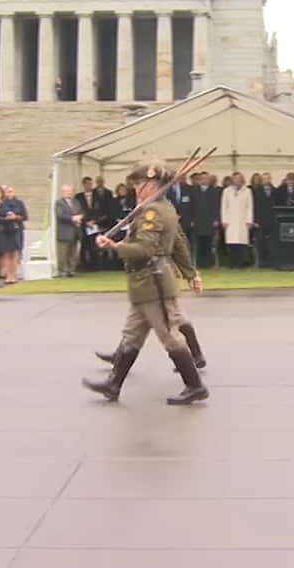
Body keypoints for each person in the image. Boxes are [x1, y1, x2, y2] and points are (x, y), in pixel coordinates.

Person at [84, 161, 209, 405]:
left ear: (151, 185)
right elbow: (179, 243)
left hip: (154, 282)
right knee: (131, 335)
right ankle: (113, 384)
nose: (135, 188)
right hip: (144, 284)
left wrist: (115, 246)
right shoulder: (155, 208)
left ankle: (195, 386)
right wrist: (190, 273)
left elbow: (146, 248)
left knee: (170, 336)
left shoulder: (155, 212)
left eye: (139, 184)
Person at [95, 216, 208, 370]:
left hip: (160, 273)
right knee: (140, 319)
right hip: (147, 276)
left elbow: (179, 243)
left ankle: (195, 361)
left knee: (173, 319)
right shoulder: (144, 211)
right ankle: (120, 356)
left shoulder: (161, 213)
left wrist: (191, 274)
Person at [220, 172, 254, 268]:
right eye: (235, 178)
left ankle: (242, 263)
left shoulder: (247, 191)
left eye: (239, 178)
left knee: (242, 243)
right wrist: (224, 220)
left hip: (243, 220)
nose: (237, 180)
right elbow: (224, 207)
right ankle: (232, 263)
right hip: (230, 221)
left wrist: (249, 220)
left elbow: (249, 207)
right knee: (232, 243)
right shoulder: (226, 191)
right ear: (232, 180)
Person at [189, 172, 221, 268]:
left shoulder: (214, 191)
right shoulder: (193, 191)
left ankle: (209, 263)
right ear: (199, 180)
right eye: (202, 178)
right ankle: (199, 264)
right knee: (199, 244)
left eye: (206, 178)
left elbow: (217, 206)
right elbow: (190, 207)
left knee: (209, 243)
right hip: (198, 221)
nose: (204, 180)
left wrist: (216, 219)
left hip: (210, 222)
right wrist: (191, 220)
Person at [2, 186, 29, 284]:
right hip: (6, 230)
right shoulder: (3, 203)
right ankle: (7, 275)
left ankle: (14, 275)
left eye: (11, 192)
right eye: (8, 192)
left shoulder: (19, 203)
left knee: (15, 253)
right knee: (7, 254)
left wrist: (16, 217)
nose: (9, 193)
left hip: (17, 230)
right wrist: (6, 218)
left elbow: (25, 216)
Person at [55, 184, 82, 278]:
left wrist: (80, 217)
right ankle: (62, 271)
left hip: (75, 231)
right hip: (64, 232)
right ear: (63, 192)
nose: (69, 193)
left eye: (70, 191)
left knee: (73, 253)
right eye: (67, 191)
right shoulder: (59, 203)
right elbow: (60, 215)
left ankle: (71, 270)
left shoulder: (76, 202)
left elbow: (81, 212)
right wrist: (72, 218)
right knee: (63, 253)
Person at [253, 172, 277, 267]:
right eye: (264, 178)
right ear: (262, 180)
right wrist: (255, 220)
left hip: (272, 221)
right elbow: (254, 207)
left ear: (270, 179)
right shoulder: (256, 191)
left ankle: (271, 262)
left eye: (268, 178)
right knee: (260, 243)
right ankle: (261, 262)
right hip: (260, 221)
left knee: (271, 244)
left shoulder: (276, 191)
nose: (266, 180)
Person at [76, 177, 99, 271]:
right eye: (87, 184)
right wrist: (86, 222)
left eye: (90, 184)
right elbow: (78, 211)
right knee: (84, 245)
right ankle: (84, 264)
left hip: (94, 224)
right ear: (83, 185)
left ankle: (94, 265)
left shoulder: (97, 196)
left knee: (94, 244)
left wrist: (94, 221)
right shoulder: (78, 197)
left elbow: (99, 210)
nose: (89, 186)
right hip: (83, 224)